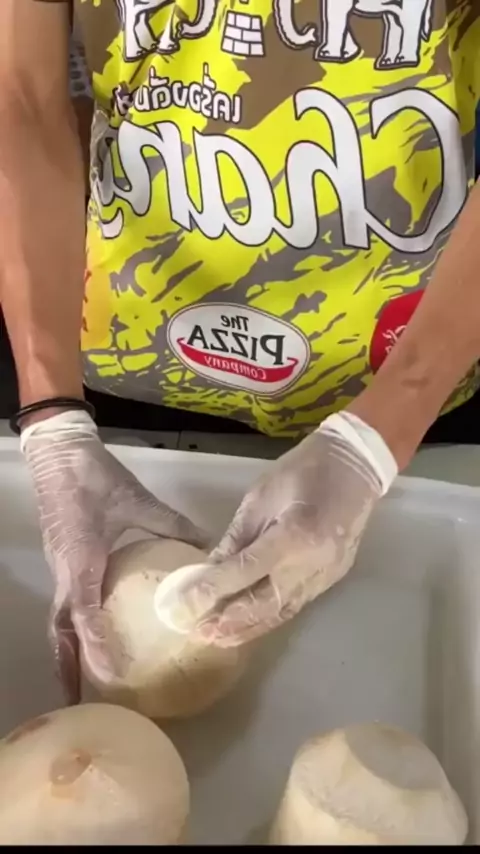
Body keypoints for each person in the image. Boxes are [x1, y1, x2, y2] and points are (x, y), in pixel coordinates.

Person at [2, 0, 480, 702]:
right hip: (127, 351)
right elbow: (21, 96)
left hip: (404, 358)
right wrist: (52, 418)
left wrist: (379, 438)